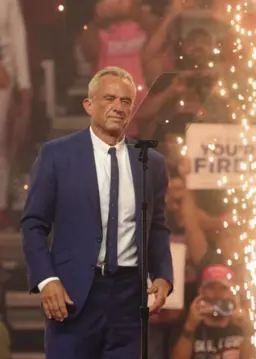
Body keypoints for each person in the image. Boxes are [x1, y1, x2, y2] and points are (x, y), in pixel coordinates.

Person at [20, 66, 173, 359]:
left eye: (126, 101)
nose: (118, 107)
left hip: (129, 300)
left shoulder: (150, 162)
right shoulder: (57, 154)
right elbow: (33, 224)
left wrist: (163, 276)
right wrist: (46, 279)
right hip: (72, 294)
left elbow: (158, 227)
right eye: (110, 99)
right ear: (89, 104)